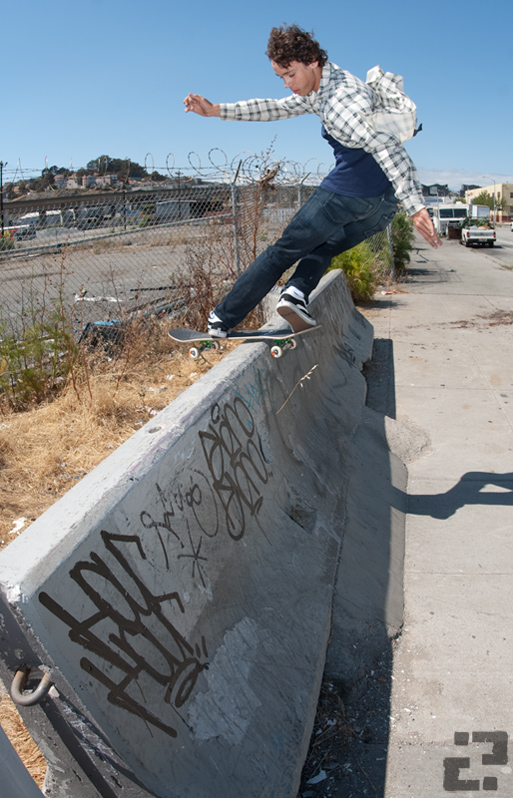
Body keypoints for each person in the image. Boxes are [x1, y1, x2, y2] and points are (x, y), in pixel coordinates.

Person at [184, 24, 441, 337]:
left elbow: (386, 148)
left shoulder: (342, 102)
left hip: (347, 194)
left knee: (282, 252)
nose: (287, 84)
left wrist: (416, 206)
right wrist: (215, 110)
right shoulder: (321, 88)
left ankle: (221, 319)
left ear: (313, 61)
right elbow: (275, 108)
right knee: (323, 246)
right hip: (380, 208)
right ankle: (295, 295)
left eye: (290, 74)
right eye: (281, 77)